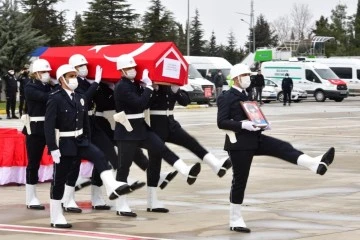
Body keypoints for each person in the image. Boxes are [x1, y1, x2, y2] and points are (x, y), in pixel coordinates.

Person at [217, 63, 335, 233]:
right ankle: (235, 219)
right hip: (239, 144)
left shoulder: (247, 93)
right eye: (245, 75)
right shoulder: (226, 97)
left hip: (255, 137)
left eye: (249, 75)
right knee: (240, 181)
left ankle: (313, 164)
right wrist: (243, 125)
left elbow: (252, 113)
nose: (248, 78)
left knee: (283, 147)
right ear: (236, 78)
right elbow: (221, 122)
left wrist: (261, 123)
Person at [44, 64, 133, 228]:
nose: (74, 79)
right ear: (62, 79)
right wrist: (53, 148)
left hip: (81, 140)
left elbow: (85, 122)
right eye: (70, 76)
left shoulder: (80, 97)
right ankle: (56, 216)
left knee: (100, 156)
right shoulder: (55, 97)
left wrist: (88, 139)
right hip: (65, 143)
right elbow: (48, 126)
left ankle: (112, 186)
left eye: (75, 76)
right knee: (59, 180)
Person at [113, 54, 201, 217]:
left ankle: (185, 170)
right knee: (124, 167)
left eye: (133, 68)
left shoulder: (134, 84)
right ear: (121, 71)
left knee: (161, 148)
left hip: (141, 127)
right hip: (127, 131)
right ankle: (121, 205)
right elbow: (139, 104)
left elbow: (145, 103)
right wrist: (148, 88)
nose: (132, 70)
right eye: (129, 68)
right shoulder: (121, 86)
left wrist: (152, 89)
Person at [147, 83, 232, 212]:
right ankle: (152, 201)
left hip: (170, 122)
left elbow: (185, 101)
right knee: (155, 161)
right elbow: (143, 104)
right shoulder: (149, 84)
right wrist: (152, 89)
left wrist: (176, 90)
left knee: (191, 142)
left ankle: (215, 164)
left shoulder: (169, 84)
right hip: (154, 124)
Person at [60, 53, 119, 213]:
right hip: (76, 126)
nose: (85, 68)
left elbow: (103, 103)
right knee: (74, 162)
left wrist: (109, 87)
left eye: (85, 65)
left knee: (104, 155)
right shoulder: (72, 84)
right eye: (81, 66)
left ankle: (97, 196)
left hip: (92, 123)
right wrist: (96, 84)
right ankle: (67, 199)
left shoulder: (87, 82)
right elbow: (82, 100)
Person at [22, 59, 52, 210]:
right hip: (35, 129)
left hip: (51, 127)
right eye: (44, 72)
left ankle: (63, 195)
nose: (47, 74)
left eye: (48, 72)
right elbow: (46, 98)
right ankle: (31, 197)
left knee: (62, 161)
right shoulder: (30, 87)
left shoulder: (49, 86)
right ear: (36, 74)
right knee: (34, 163)